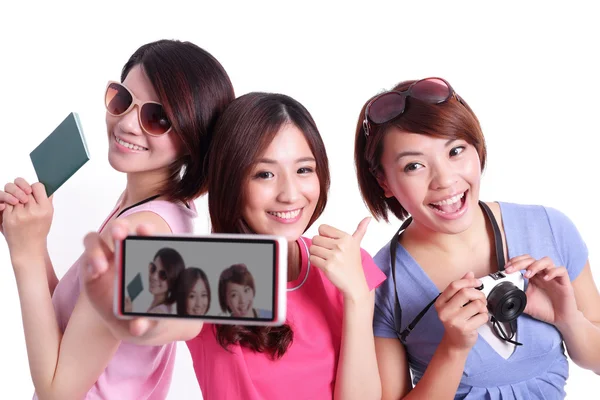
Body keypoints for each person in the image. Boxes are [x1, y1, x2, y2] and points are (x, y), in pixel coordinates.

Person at [81, 92, 387, 399]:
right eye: (264, 174)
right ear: (232, 182)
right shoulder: (215, 269)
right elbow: (158, 324)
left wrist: (358, 297)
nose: (290, 194)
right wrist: (119, 305)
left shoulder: (347, 265)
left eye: (304, 170)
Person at [0, 39, 234, 399]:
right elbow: (70, 325)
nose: (126, 123)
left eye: (157, 118)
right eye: (123, 99)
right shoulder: (156, 207)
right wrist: (32, 238)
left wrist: (26, 253)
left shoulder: (145, 234)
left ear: (192, 137)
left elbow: (57, 391)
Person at [353, 77, 600, 399]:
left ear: (478, 148)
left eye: (456, 150)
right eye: (414, 165)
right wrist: (453, 348)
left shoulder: (549, 227)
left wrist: (568, 319)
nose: (445, 180)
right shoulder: (381, 281)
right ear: (384, 181)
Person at [126, 247, 185, 314]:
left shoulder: (157, 312)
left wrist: (127, 313)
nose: (154, 277)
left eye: (163, 275)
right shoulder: (162, 306)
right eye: (153, 268)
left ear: (173, 281)